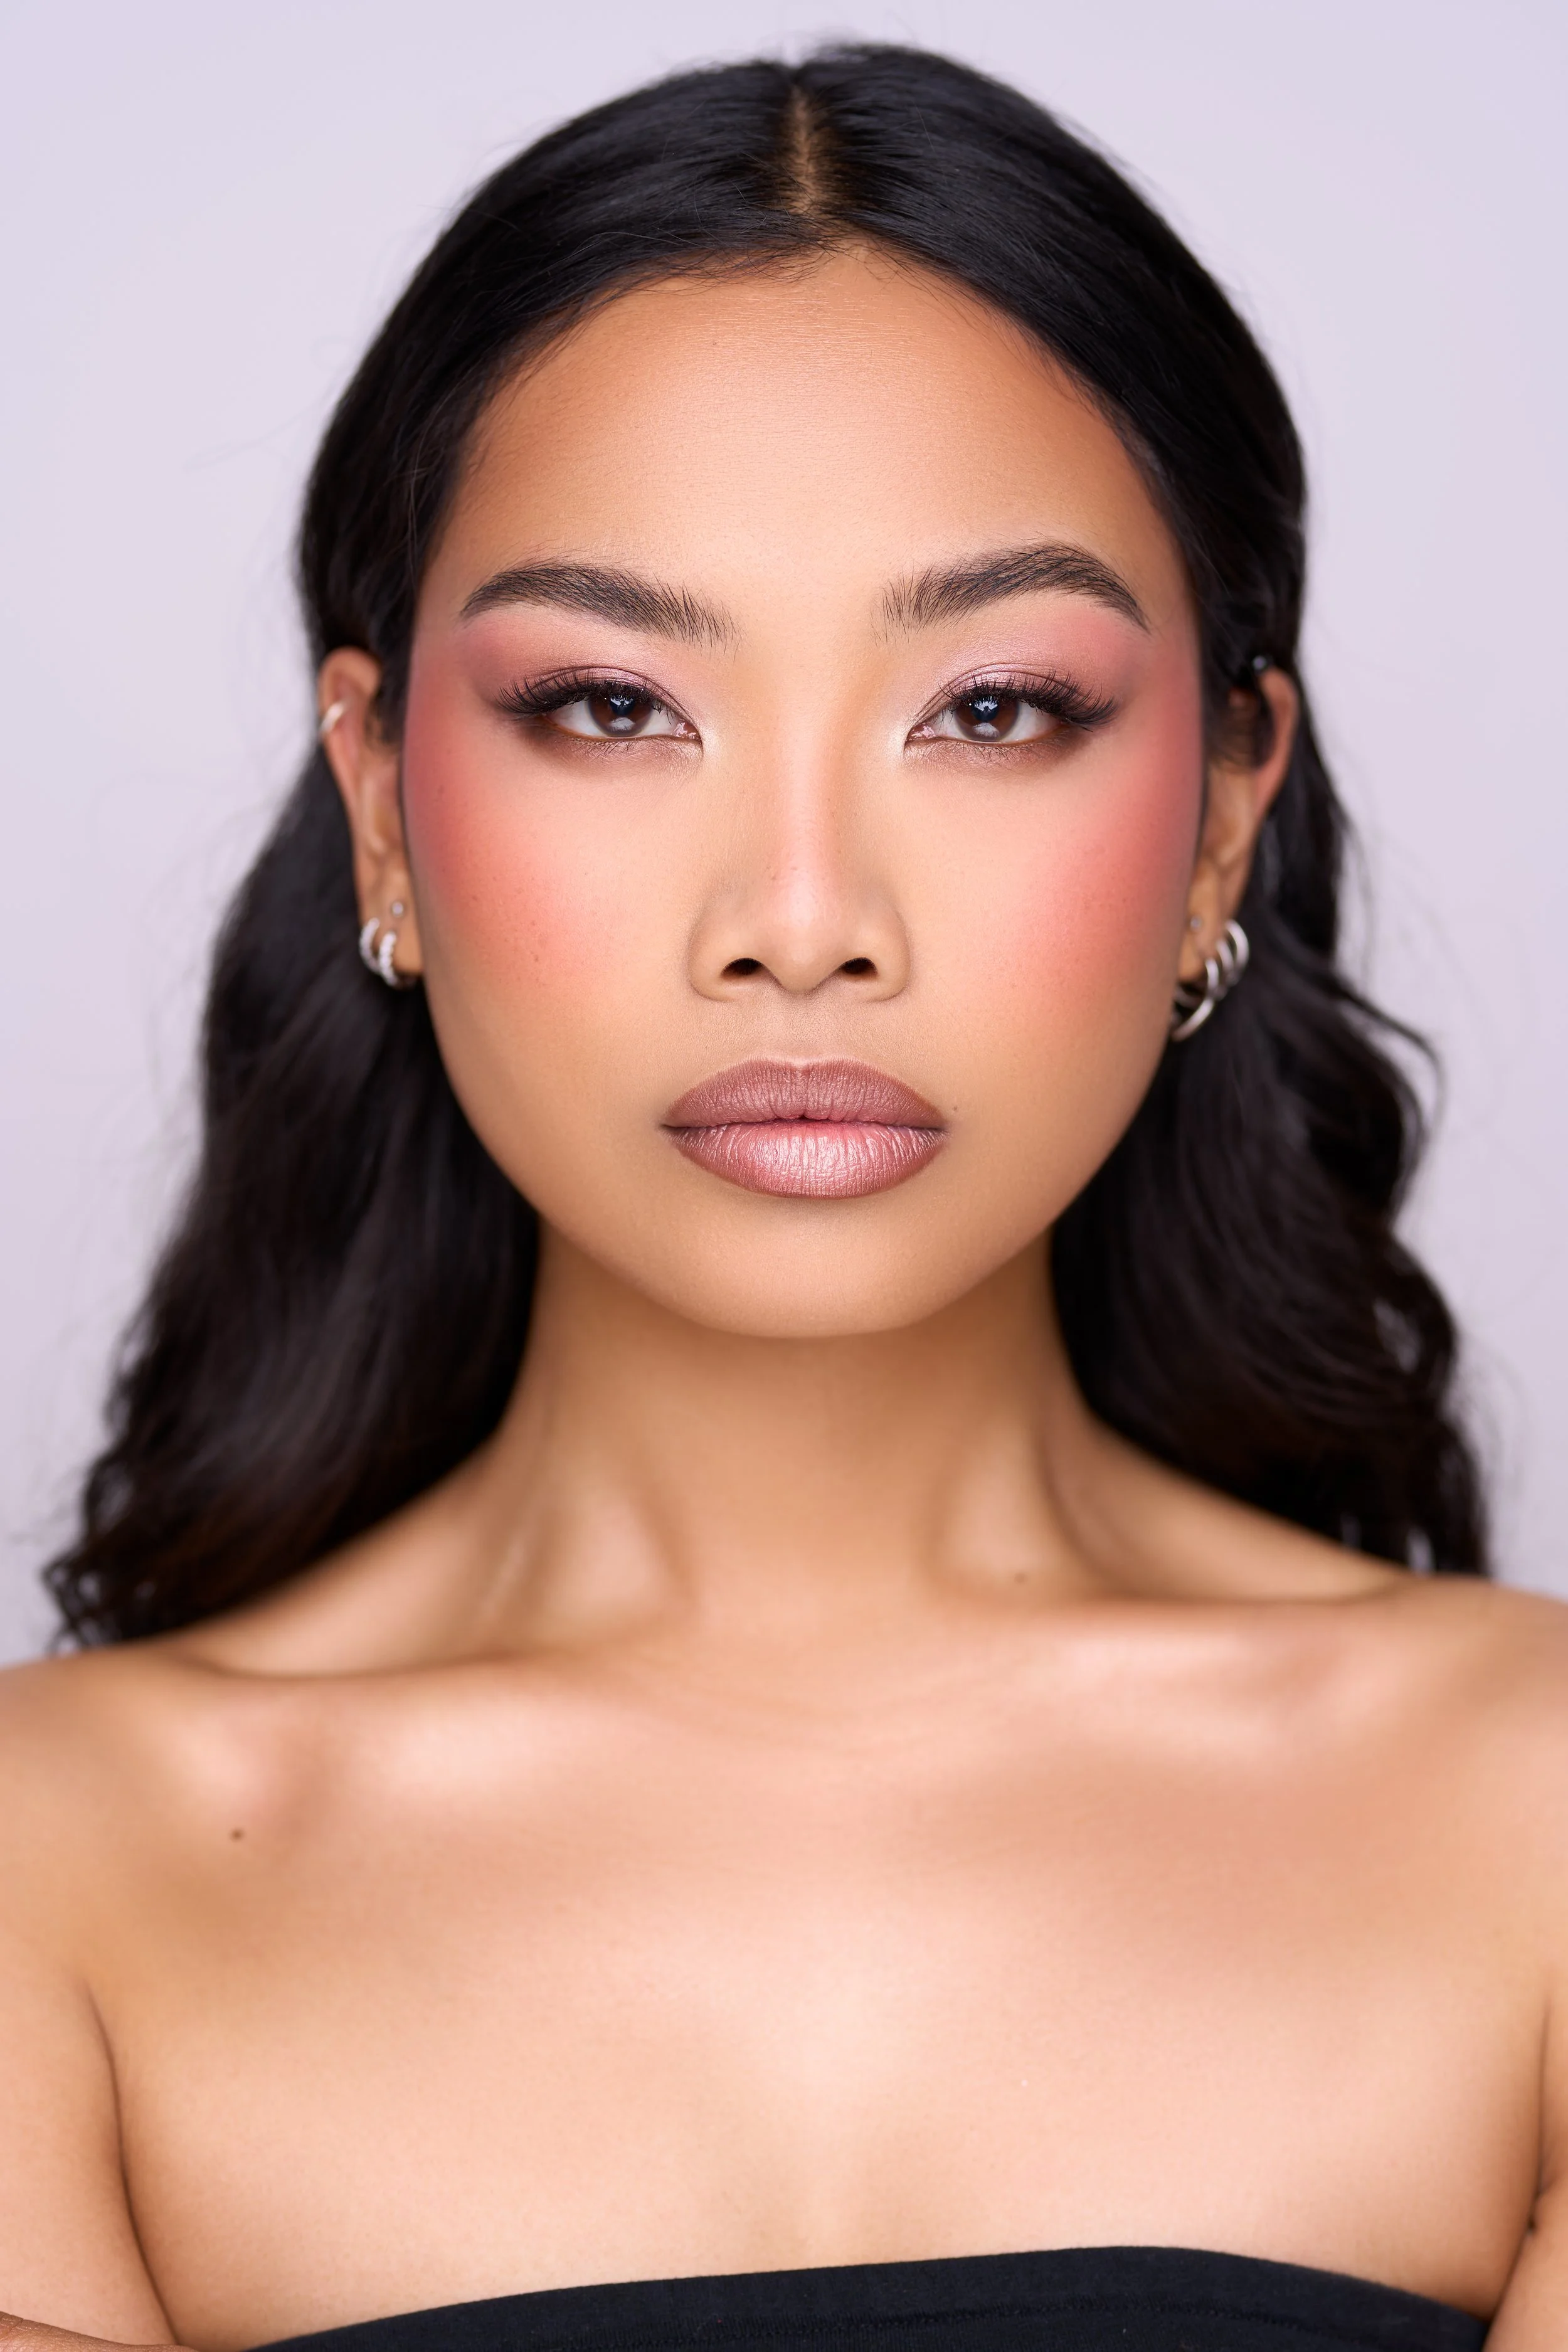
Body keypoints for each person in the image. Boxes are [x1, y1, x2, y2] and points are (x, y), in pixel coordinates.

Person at [1, 42, 1557, 2352]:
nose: (802, 917)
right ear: (384, 807)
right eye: (614, 706)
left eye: (996, 705)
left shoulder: (1536, 1824)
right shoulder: (49, 1884)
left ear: (1227, 807)